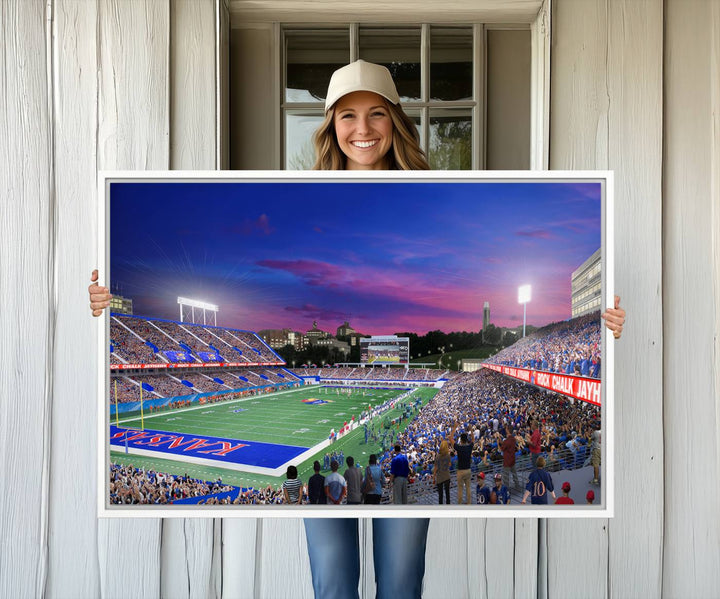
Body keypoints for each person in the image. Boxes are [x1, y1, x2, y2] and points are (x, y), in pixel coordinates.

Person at [88, 59, 625, 599]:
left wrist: (600, 323)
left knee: (400, 582)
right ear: (330, 126)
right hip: (337, 484)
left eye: (375, 114)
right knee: (333, 583)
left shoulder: (434, 194)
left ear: (395, 120)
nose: (362, 129)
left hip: (394, 478)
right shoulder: (300, 194)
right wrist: (103, 307)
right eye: (347, 116)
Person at [450, 423, 473, 505]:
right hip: (468, 469)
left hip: (460, 471)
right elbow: (473, 440)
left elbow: (451, 439)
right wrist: (471, 430)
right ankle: (469, 503)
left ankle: (460, 504)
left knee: (460, 489)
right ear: (466, 439)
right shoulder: (469, 447)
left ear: (461, 440)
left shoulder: (459, 447)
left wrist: (454, 427)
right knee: (468, 487)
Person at [433, 440, 451, 504]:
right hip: (447, 476)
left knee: (440, 496)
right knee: (447, 494)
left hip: (439, 477)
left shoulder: (437, 456)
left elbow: (435, 468)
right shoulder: (448, 455)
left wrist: (433, 477)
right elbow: (449, 464)